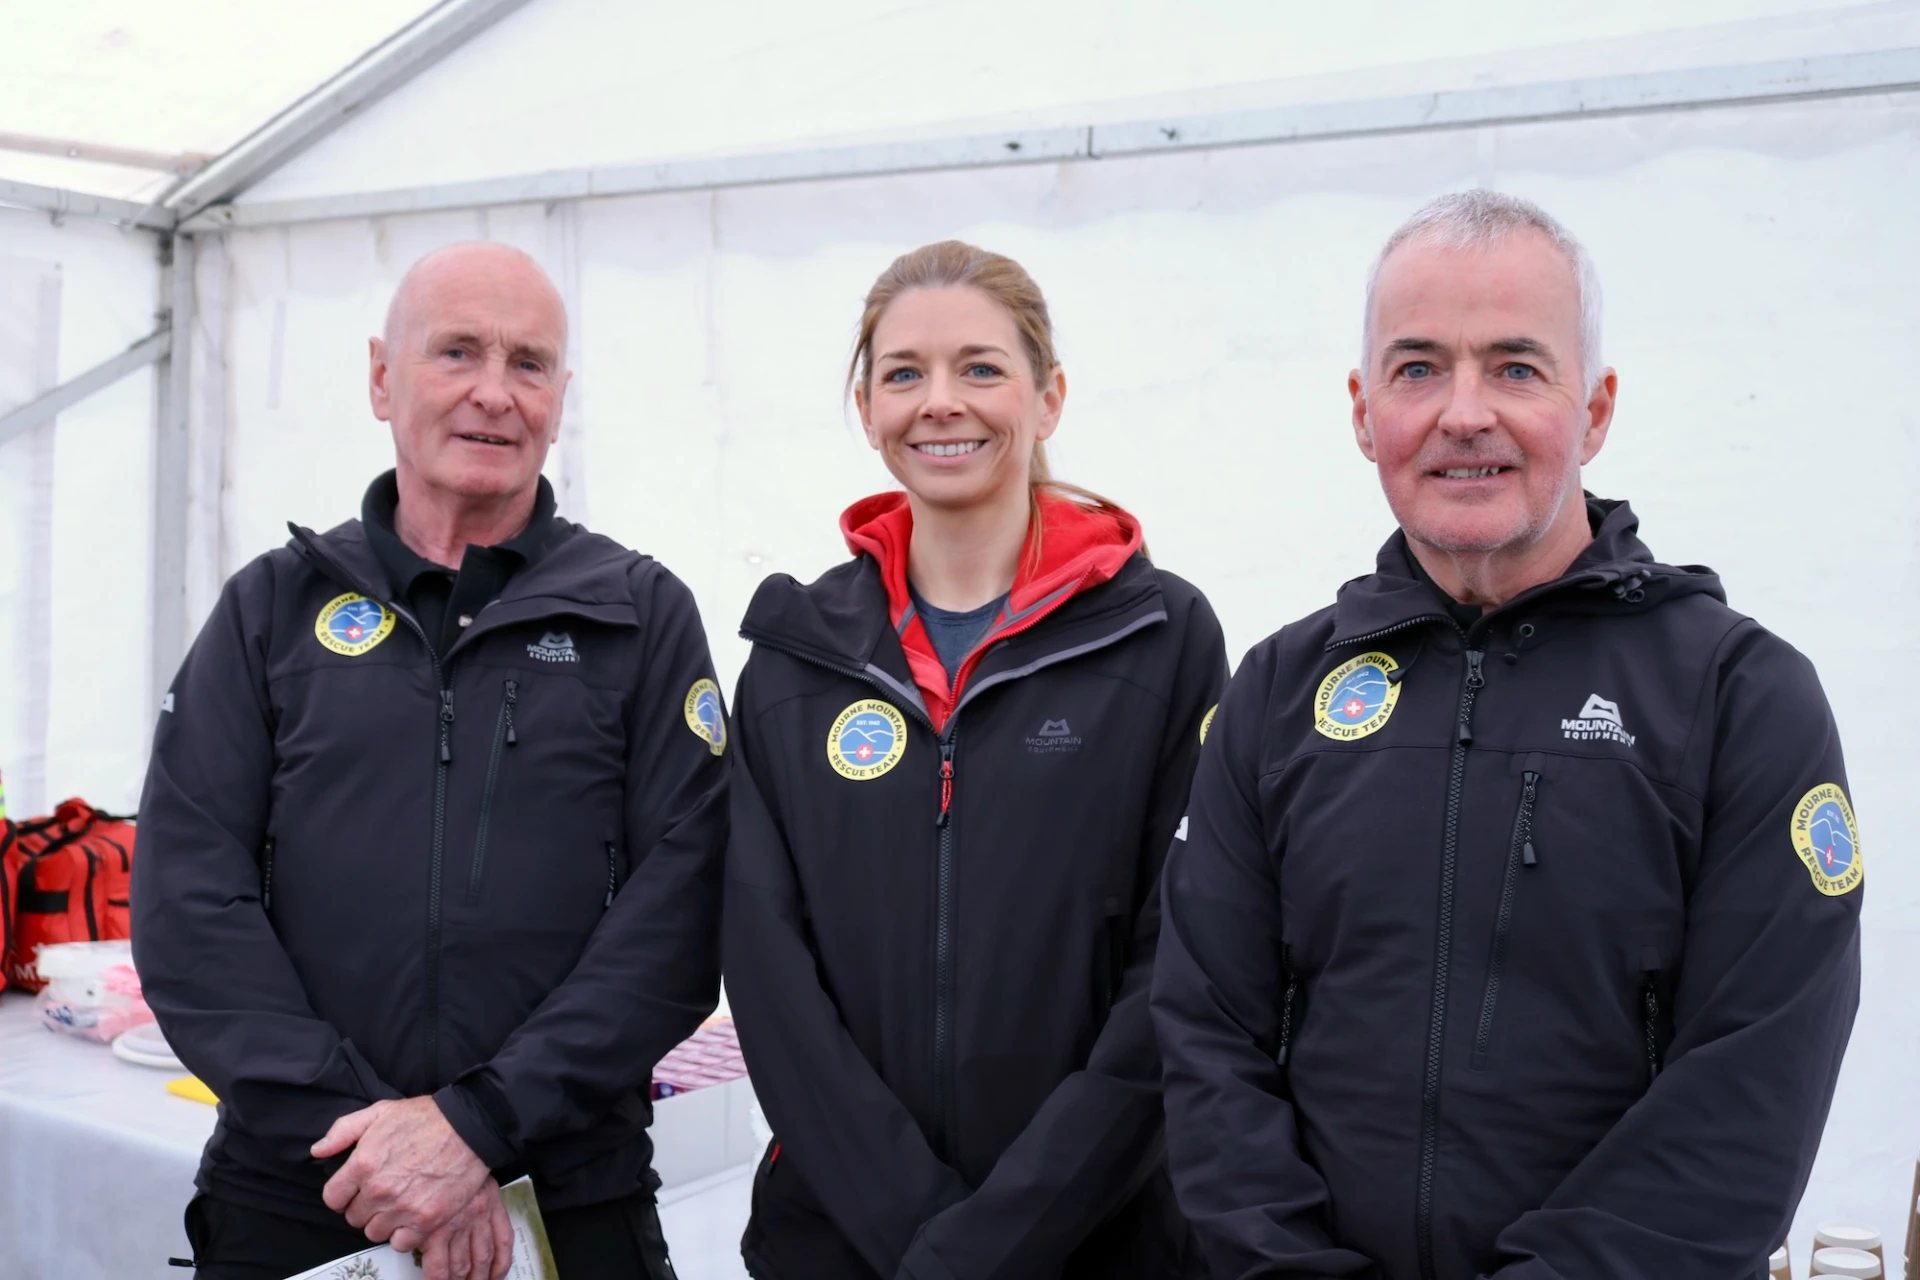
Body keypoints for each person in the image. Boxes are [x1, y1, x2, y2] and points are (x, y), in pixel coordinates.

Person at [1152, 190, 1862, 1280]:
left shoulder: (1738, 694)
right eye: (1419, 367)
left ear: (1597, 408)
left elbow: (1752, 1074)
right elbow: (1207, 1039)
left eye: (1517, 367)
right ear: (1362, 408)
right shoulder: (1280, 691)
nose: (1464, 412)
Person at [132, 242, 727, 1280]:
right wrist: (382, 1145)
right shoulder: (273, 610)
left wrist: (479, 1125)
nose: (494, 392)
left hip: (567, 1197)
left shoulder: (639, 615)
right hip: (300, 1189)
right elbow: (190, 899)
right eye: (457, 351)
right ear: (381, 377)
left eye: (529, 363)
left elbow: (680, 911)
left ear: (560, 395)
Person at [724, 241, 1227, 1279]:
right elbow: (769, 980)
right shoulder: (791, 660)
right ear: (866, 408)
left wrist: (999, 1242)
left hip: (1099, 1242)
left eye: (981, 368)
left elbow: (1177, 965)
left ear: (1049, 397)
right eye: (904, 372)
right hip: (840, 1245)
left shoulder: (1161, 637)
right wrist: (920, 1236)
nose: (940, 402)